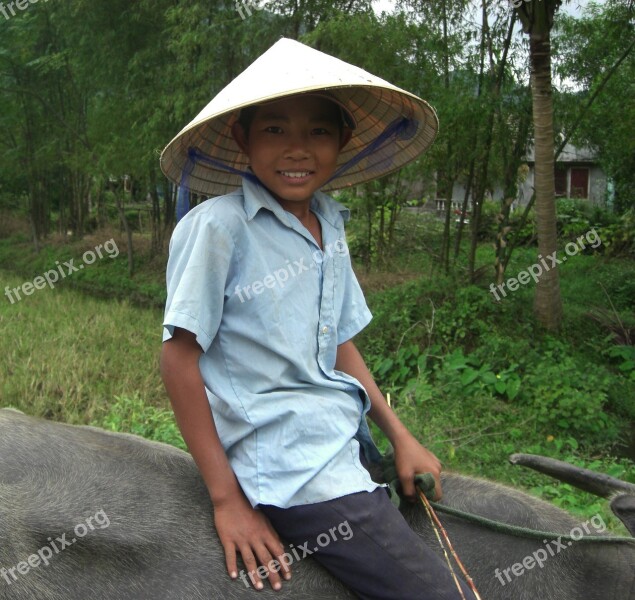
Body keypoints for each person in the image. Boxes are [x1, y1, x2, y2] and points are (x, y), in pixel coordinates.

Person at [159, 38, 475, 599]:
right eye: (275, 130)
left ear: (342, 141)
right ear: (242, 137)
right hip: (292, 469)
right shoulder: (218, 228)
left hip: (339, 441)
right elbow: (180, 359)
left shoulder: (328, 223)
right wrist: (228, 500)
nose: (297, 149)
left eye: (318, 132)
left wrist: (400, 436)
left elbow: (338, 345)